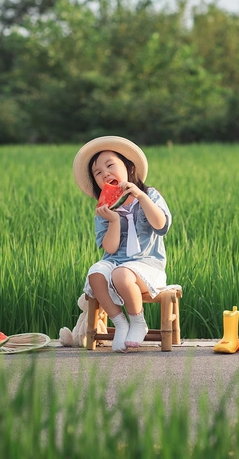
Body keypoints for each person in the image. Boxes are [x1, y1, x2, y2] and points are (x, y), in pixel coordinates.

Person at [72, 136, 172, 352]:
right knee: (96, 274)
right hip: (115, 261)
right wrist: (114, 220)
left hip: (147, 265)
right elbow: (109, 249)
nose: (105, 173)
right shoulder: (103, 210)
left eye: (110, 165)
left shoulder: (150, 194)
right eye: (98, 173)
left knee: (121, 275)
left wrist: (141, 198)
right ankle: (120, 322)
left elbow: (161, 225)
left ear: (129, 168)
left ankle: (138, 321)